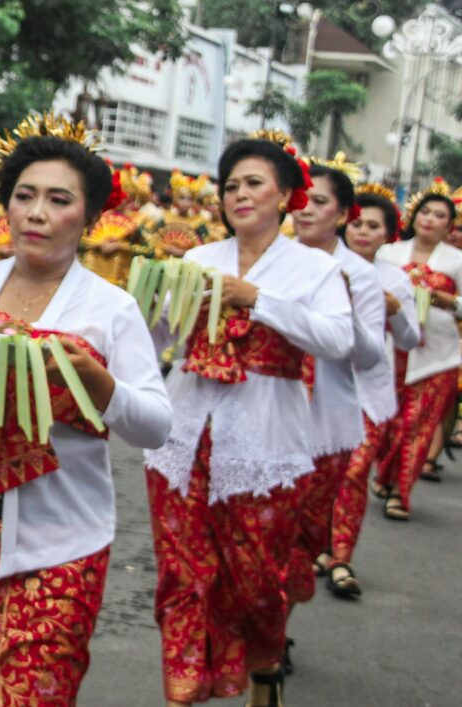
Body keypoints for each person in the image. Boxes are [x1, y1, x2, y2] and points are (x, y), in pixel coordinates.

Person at [0, 113, 172, 706]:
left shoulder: (110, 309)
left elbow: (155, 425)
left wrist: (98, 384)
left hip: (60, 539)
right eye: (24, 195)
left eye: (59, 199)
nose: (37, 212)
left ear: (91, 216)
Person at [142, 136, 353, 707]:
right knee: (182, 570)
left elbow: (338, 339)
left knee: (257, 575)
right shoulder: (195, 260)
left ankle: (263, 669)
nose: (239, 194)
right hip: (184, 435)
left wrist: (257, 299)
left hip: (265, 438)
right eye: (231, 185)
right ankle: (183, 684)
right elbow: (158, 339)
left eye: (253, 183)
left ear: (286, 195)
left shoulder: (314, 268)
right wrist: (148, 304)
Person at [284, 159, 385, 613]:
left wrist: (343, 310)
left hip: (326, 422)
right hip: (268, 413)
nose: (305, 210)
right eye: (301, 199)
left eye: (319, 202)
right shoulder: (271, 261)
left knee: (302, 534)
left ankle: (275, 630)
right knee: (263, 530)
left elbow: (369, 356)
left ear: (343, 214)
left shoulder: (360, 275)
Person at [327, 184, 420, 596]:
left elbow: (410, 340)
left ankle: (341, 558)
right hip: (317, 388)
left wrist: (395, 311)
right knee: (317, 477)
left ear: (388, 234)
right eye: (358, 223)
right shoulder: (318, 265)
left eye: (374, 226)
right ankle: (315, 545)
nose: (363, 232)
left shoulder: (395, 279)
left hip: (368, 391)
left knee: (353, 473)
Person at [375, 179, 462, 518]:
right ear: (414, 216)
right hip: (390, 347)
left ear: (448, 225)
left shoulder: (456, 261)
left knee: (419, 424)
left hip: (437, 355)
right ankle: (384, 473)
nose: (429, 219)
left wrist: (449, 301)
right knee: (390, 422)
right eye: (425, 211)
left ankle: (400, 492)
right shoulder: (388, 253)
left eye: (439, 215)